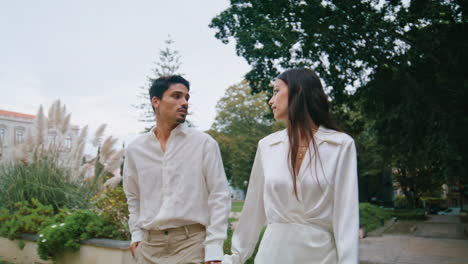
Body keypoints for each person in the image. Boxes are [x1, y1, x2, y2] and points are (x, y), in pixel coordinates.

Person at [223, 68, 359, 264]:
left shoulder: (340, 145)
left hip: (321, 257)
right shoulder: (267, 146)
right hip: (272, 255)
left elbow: (346, 217)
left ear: (299, 90)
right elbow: (253, 210)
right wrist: (235, 257)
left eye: (276, 91)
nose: (271, 100)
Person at [123, 75, 231, 264]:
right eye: (177, 96)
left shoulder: (204, 144)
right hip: (148, 248)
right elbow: (133, 197)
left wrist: (214, 248)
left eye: (187, 98)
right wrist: (136, 236)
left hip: (191, 245)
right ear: (156, 101)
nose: (184, 103)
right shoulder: (135, 149)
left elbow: (219, 195)